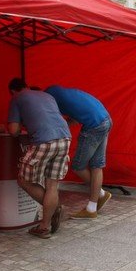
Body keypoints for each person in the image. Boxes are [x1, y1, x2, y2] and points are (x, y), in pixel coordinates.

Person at [7, 78, 71, 239]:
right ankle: (44, 226)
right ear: (27, 86)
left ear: (13, 91)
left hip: (44, 141)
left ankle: (53, 212)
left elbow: (13, 131)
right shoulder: (46, 96)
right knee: (52, 185)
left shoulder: (17, 98)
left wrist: (22, 123)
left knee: (23, 180)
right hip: (65, 139)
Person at [44, 85, 112, 219]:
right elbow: (74, 118)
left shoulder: (49, 98)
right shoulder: (61, 93)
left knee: (78, 166)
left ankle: (99, 196)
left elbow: (52, 120)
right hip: (106, 119)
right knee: (96, 165)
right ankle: (94, 203)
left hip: (93, 126)